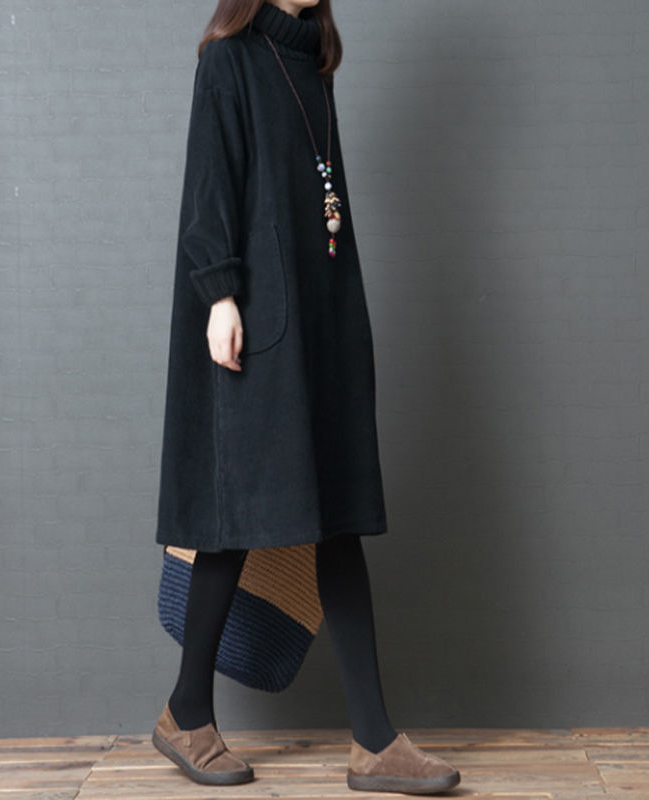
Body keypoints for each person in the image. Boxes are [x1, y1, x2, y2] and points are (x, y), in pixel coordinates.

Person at [152, 1, 461, 794]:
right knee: (236, 518)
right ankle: (188, 712)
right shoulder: (229, 60)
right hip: (259, 323)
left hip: (324, 326)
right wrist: (219, 295)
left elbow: (324, 210)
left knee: (339, 515)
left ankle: (373, 741)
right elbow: (209, 188)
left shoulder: (312, 66)